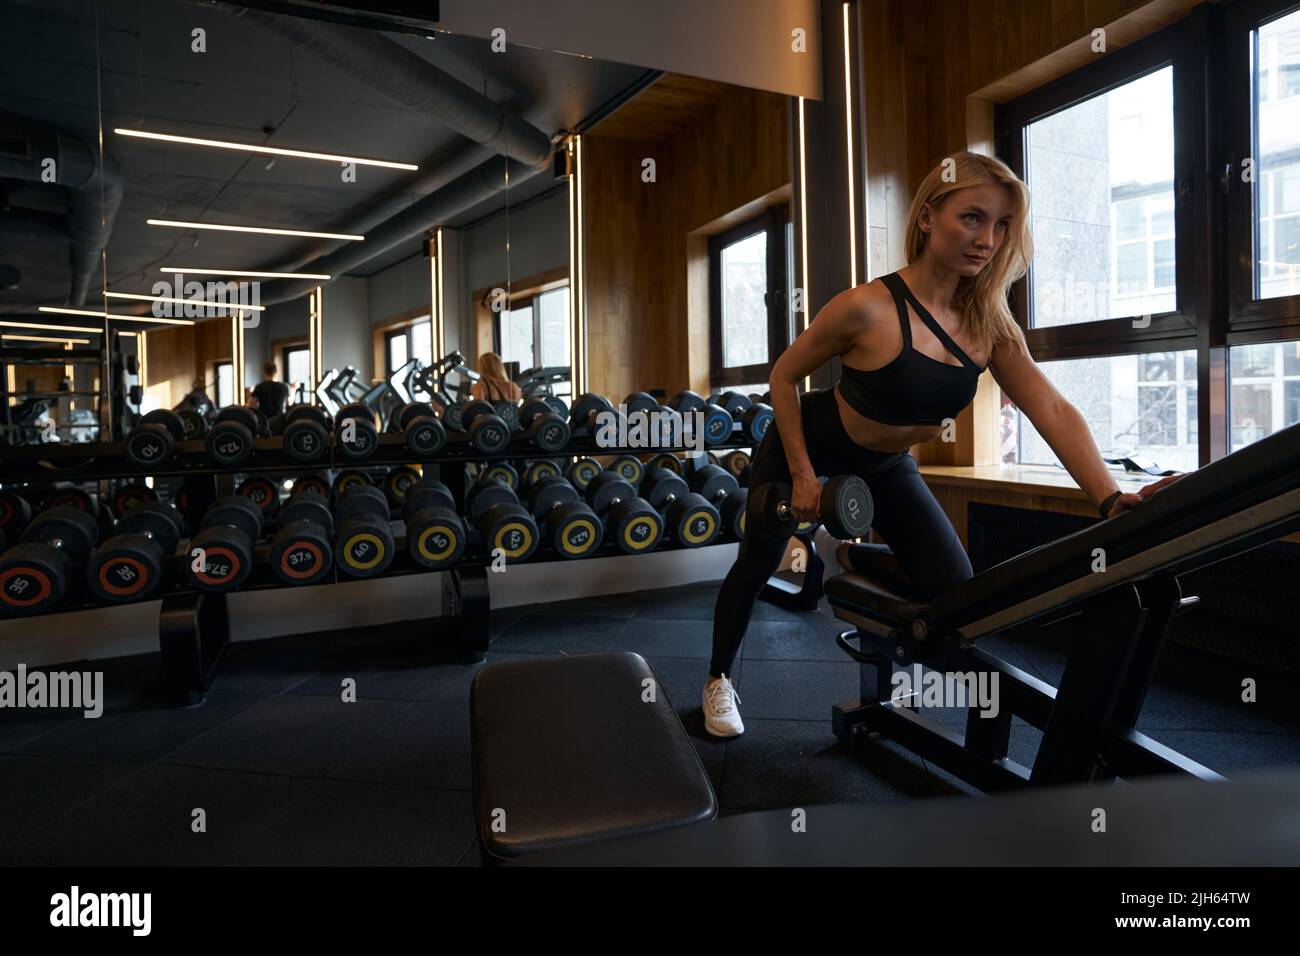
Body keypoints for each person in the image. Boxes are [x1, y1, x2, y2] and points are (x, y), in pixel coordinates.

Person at [702, 150, 1184, 738]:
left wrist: (1108, 498)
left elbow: (1051, 408)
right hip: (807, 442)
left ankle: (847, 556)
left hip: (885, 465)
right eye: (973, 217)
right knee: (757, 561)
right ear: (928, 217)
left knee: (956, 592)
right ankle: (719, 679)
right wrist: (803, 476)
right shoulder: (868, 307)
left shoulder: (990, 325)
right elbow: (783, 376)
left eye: (1002, 224)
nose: (988, 238)